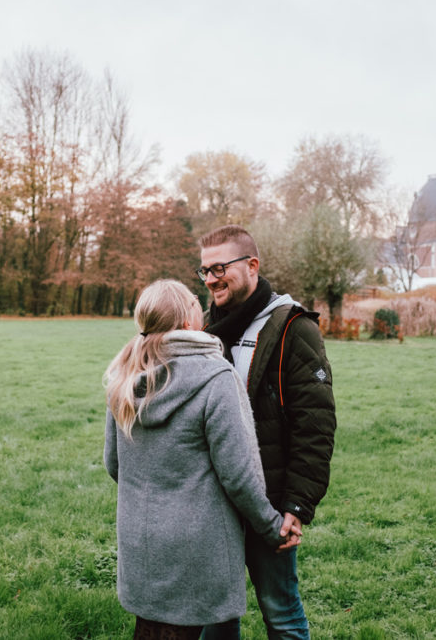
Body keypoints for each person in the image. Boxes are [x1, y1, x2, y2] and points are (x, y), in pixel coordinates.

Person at [103, 279, 300, 640]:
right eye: (195, 300)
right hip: (197, 549)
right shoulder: (216, 377)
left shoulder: (125, 377)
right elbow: (240, 476)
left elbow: (113, 463)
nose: (202, 303)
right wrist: (272, 526)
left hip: (140, 542)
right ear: (187, 321)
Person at [198, 225, 336, 640]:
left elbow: (315, 424)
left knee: (282, 615)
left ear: (252, 265)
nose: (210, 279)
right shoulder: (203, 329)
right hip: (214, 505)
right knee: (215, 617)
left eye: (219, 268)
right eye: (203, 271)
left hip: (270, 503)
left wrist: (296, 504)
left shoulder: (293, 328)